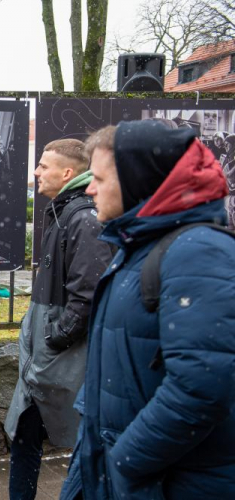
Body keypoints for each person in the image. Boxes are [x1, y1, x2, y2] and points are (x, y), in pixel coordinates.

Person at [60, 121, 235, 500]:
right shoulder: (139, 247)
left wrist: (126, 461)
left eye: (100, 179)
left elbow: (201, 387)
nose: (89, 189)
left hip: (171, 482)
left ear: (139, 182)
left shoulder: (199, 252)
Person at [4, 139, 113, 500]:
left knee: (69, 442)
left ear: (67, 173)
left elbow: (88, 293)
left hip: (58, 355)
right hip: (47, 353)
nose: (36, 172)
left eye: (42, 166)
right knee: (24, 435)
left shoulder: (81, 218)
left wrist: (55, 337)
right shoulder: (64, 212)